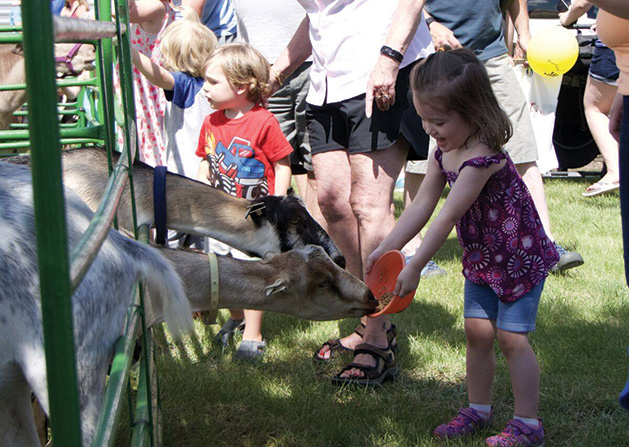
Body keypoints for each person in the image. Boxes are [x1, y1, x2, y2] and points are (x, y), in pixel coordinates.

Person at [367, 48, 558, 446]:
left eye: (438, 120)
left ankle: (528, 424)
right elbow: (421, 204)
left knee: (511, 338)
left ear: (472, 111)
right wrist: (387, 246)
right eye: (423, 118)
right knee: (476, 332)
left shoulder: (481, 155)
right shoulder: (443, 150)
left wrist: (416, 262)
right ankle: (478, 409)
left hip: (518, 257)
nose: (430, 129)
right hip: (483, 258)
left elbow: (447, 216)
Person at [270, 0, 433, 383]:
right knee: (331, 199)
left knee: (368, 202)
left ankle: (377, 338)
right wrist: (276, 72)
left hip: (380, 70)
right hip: (327, 82)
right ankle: (367, 313)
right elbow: (320, 15)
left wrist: (390, 58)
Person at [402, 0, 584, 273]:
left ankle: (545, 243)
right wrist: (429, 23)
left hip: (490, 54)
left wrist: (523, 34)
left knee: (522, 147)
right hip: (436, 58)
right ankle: (413, 249)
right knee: (426, 157)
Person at [195, 43, 293, 359]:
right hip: (220, 215)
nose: (204, 88)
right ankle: (237, 319)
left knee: (253, 274)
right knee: (224, 272)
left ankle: (253, 333)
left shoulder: (263, 121)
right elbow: (205, 159)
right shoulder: (211, 122)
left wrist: (278, 203)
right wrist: (200, 191)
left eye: (212, 81)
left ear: (241, 85)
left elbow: (282, 163)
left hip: (255, 216)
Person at [233, 0, 322, 222]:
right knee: (264, 161)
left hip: (314, 61)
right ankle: (273, 229)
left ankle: (317, 238)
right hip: (257, 69)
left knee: (318, 163)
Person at [130, 7, 217, 179]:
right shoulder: (211, 82)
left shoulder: (185, 84)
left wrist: (129, 49)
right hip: (208, 164)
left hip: (187, 169)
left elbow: (160, 77)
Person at [560, 0, 620, 197]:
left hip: (615, 45)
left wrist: (566, 18)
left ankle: (614, 171)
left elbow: (581, 4)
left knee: (595, 107)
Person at [120, 0, 176, 167]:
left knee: (148, 143)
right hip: (140, 82)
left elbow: (119, 11)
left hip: (144, 85)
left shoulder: (155, 6)